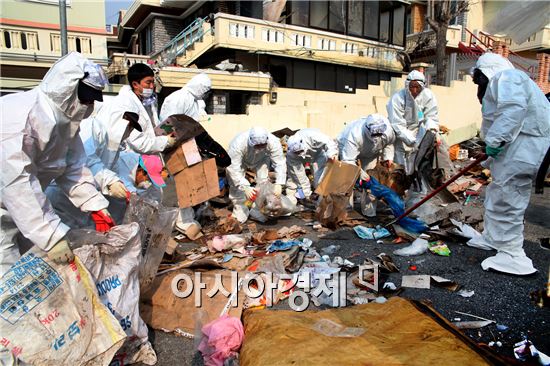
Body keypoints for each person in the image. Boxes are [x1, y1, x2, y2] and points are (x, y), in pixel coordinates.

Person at [0, 52, 115, 275]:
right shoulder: (22, 118)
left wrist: (95, 204)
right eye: (86, 97)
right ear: (67, 87)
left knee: (31, 273)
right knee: (8, 279)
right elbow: (17, 183)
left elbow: (73, 169)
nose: (89, 104)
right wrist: (51, 235)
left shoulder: (65, 123)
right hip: (7, 208)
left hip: (24, 213)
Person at [468, 52, 550, 275]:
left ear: (489, 70)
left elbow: (512, 112)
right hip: (517, 146)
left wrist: (494, 142)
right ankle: (494, 239)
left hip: (527, 147)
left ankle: (513, 255)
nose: (477, 83)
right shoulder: (501, 83)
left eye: (479, 77)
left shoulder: (508, 77)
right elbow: (499, 120)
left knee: (508, 198)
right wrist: (492, 155)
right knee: (498, 193)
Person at [159, 73, 212, 237]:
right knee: (181, 181)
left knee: (191, 181)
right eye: (204, 89)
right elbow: (166, 123)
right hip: (176, 143)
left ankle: (189, 216)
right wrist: (172, 141)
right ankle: (181, 219)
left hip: (189, 142)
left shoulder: (195, 101)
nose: (204, 92)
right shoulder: (178, 97)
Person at [337, 114, 395, 216]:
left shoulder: (388, 130)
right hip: (348, 152)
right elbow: (349, 162)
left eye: (379, 134)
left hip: (371, 154)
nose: (377, 137)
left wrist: (388, 157)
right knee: (348, 178)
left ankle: (369, 211)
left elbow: (389, 143)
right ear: (367, 129)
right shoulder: (354, 134)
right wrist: (363, 175)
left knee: (373, 180)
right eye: (374, 134)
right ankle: (346, 209)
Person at [226, 127, 286, 223]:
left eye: (262, 145)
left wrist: (280, 182)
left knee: (263, 184)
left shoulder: (273, 142)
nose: (259, 148)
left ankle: (257, 209)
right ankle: (240, 213)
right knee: (236, 187)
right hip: (242, 161)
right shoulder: (238, 144)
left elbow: (280, 163)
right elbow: (233, 167)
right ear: (250, 141)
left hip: (262, 159)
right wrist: (245, 186)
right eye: (257, 146)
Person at [387, 70, 439, 176]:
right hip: (400, 135)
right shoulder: (398, 98)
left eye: (417, 87)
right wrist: (411, 140)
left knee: (414, 164)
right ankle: (400, 187)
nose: (414, 90)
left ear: (422, 86)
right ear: (407, 86)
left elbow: (431, 117)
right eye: (412, 87)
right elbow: (397, 124)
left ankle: (412, 184)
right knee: (399, 165)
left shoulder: (428, 96)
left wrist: (433, 133)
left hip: (417, 132)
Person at [286, 128, 338, 204]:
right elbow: (299, 176)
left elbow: (329, 142)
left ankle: (322, 201)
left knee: (320, 180)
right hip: (300, 160)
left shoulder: (313, 135)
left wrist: (332, 153)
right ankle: (299, 198)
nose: (299, 153)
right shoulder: (291, 155)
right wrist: (307, 194)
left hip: (319, 155)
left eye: (300, 151)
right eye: (297, 152)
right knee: (294, 180)